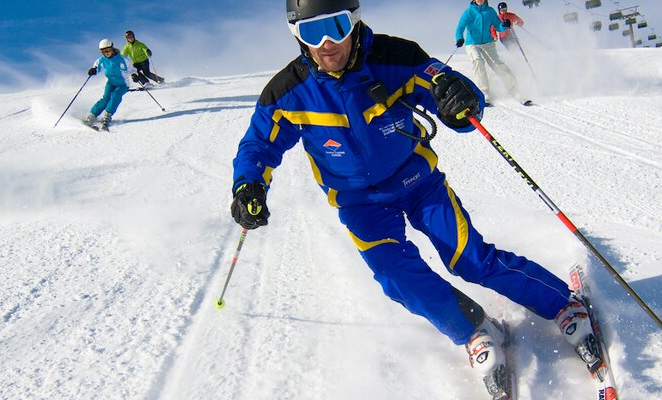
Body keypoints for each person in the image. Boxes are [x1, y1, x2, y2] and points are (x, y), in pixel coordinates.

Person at [231, 0, 595, 397]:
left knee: (469, 260)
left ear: (353, 22)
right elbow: (257, 147)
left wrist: (460, 98)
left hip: (419, 182)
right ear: (296, 36)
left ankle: (563, 304)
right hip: (360, 204)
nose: (326, 44)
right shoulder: (288, 93)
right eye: (310, 32)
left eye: (335, 26)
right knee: (397, 277)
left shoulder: (395, 57)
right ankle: (473, 329)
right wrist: (248, 185)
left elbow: (446, 87)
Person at [456, 0, 530, 106]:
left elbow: (498, 26)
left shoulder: (490, 11)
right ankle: (484, 93)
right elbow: (460, 26)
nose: (480, 0)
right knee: (478, 61)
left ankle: (515, 91)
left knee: (498, 64)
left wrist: (504, 25)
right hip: (472, 43)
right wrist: (459, 38)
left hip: (488, 43)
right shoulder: (469, 12)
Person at [83, 39, 137, 131]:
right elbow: (97, 66)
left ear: (112, 48)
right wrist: (94, 70)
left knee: (115, 96)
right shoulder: (102, 60)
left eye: (107, 50)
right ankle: (92, 116)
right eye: (103, 51)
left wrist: (134, 75)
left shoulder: (122, 58)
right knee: (105, 99)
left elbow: (131, 69)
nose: (106, 53)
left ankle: (107, 116)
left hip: (123, 84)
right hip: (111, 83)